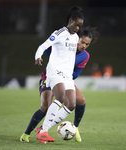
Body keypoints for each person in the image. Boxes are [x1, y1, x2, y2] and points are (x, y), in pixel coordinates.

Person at [20, 26, 100, 143]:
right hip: (49, 77)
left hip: (66, 78)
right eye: (82, 42)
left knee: (80, 100)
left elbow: (76, 74)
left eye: (87, 44)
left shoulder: (85, 56)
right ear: (76, 38)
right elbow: (46, 49)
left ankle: (74, 127)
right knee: (46, 107)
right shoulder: (63, 44)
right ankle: (26, 134)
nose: (84, 46)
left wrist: (65, 70)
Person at [20, 6, 84, 143]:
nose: (77, 28)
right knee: (60, 97)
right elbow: (42, 46)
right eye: (76, 24)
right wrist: (38, 56)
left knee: (71, 104)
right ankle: (43, 132)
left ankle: (43, 128)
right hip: (55, 71)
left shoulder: (76, 37)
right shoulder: (59, 33)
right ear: (70, 20)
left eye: (79, 26)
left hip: (67, 75)